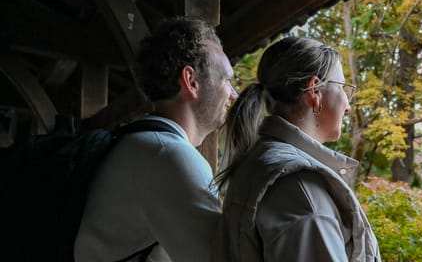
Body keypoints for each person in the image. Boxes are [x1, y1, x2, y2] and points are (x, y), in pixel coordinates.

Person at [75, 17, 239, 261]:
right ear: (191, 81)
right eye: (226, 80)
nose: (233, 94)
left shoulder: (137, 144)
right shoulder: (169, 156)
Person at [213, 36, 380, 261]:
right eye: (343, 88)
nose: (348, 107)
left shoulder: (261, 160)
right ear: (315, 91)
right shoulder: (302, 192)